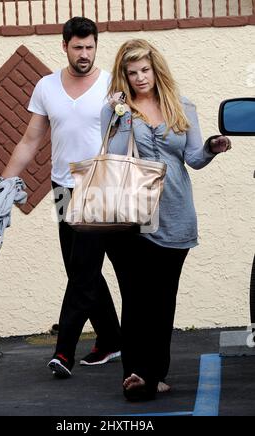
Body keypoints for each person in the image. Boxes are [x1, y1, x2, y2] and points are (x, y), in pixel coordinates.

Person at [99, 39, 232, 401]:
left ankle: (155, 372)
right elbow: (112, 156)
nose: (140, 78)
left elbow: (192, 157)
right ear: (123, 76)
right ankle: (137, 374)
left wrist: (211, 148)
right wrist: (122, 117)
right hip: (131, 219)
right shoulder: (114, 110)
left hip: (175, 214)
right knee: (137, 298)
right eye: (132, 72)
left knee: (162, 301)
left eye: (145, 70)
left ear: (156, 70)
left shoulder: (182, 106)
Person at [0, 17, 121, 373]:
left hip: (101, 187)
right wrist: (5, 180)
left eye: (90, 47)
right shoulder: (46, 86)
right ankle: (111, 339)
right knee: (80, 268)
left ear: (96, 46)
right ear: (64, 46)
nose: (84, 54)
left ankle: (63, 351)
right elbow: (30, 140)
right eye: (78, 47)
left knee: (82, 270)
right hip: (63, 187)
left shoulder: (113, 85)